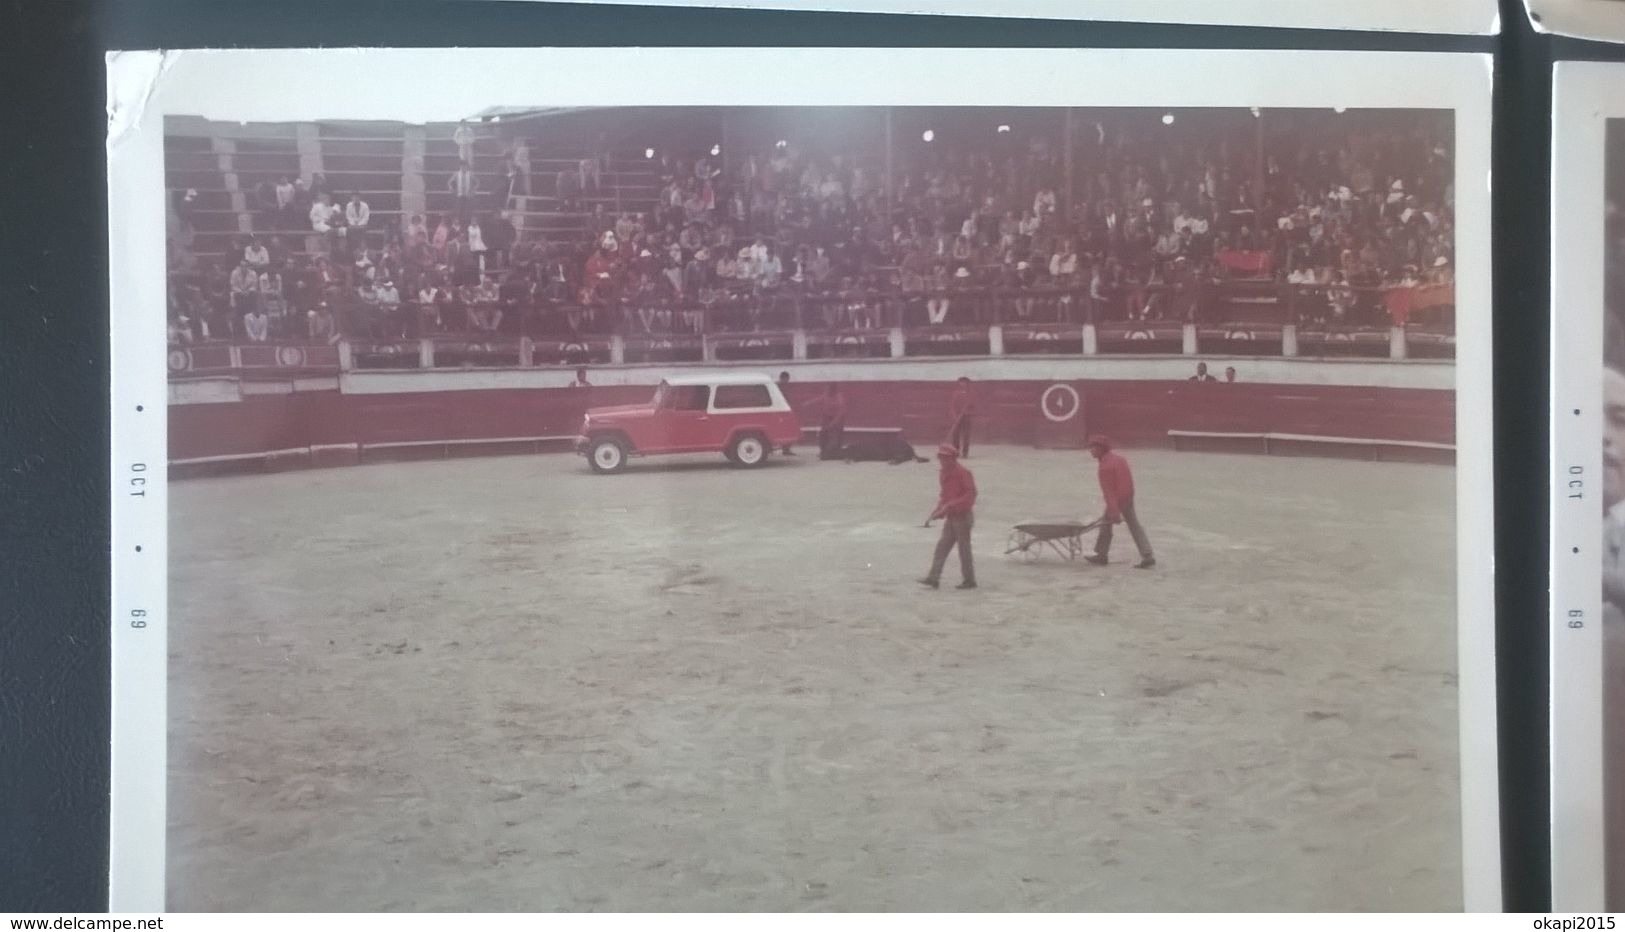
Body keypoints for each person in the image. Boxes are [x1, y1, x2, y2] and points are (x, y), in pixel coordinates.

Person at [1085, 435, 1155, 569]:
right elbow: (1128, 482)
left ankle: (1101, 555)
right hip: (1128, 497)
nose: (1091, 451)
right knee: (1132, 525)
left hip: (1118, 500)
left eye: (1093, 447)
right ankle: (1147, 555)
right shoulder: (1120, 460)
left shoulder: (1104, 468)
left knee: (1107, 524)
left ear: (1101, 449)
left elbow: (1109, 493)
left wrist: (1115, 512)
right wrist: (1126, 500)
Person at [919, 444, 977, 590]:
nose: (942, 461)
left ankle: (969, 581)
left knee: (964, 550)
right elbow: (944, 496)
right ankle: (933, 578)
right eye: (941, 458)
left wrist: (949, 506)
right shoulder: (944, 473)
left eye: (945, 458)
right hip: (952, 517)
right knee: (942, 548)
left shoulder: (963, 473)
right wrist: (938, 510)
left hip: (963, 516)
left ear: (952, 458)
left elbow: (971, 495)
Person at [816, 383, 847, 460]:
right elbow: (820, 399)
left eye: (827, 389)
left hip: (837, 419)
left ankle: (831, 453)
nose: (826, 391)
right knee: (823, 435)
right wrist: (808, 403)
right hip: (827, 417)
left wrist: (834, 422)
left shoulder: (839, 397)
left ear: (832, 391)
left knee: (835, 436)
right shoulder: (827, 395)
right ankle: (825, 452)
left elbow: (841, 411)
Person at [948, 376, 974, 457]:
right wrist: (954, 416)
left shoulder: (971, 393)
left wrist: (968, 409)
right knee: (955, 434)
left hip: (967, 416)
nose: (963, 384)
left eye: (965, 382)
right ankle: (956, 451)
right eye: (961, 382)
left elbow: (973, 404)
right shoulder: (956, 393)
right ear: (959, 383)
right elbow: (952, 405)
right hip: (957, 416)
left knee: (966, 435)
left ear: (967, 384)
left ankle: (965, 452)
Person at [777, 371, 796, 455]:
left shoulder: (779, 387)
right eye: (786, 379)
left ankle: (786, 449)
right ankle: (785, 449)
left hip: (783, 412)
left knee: (786, 430)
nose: (787, 381)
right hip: (781, 412)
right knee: (785, 430)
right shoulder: (779, 387)